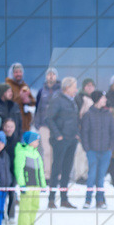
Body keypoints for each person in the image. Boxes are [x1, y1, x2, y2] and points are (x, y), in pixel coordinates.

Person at [80, 90, 114, 209]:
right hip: (92, 151)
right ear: (97, 99)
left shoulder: (108, 114)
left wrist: (110, 148)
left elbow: (113, 132)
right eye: (103, 98)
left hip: (105, 151)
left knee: (101, 177)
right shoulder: (88, 115)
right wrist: (87, 149)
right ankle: (88, 200)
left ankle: (100, 200)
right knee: (91, 175)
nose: (105, 100)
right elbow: (84, 133)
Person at [45, 77, 80, 208]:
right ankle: (51, 199)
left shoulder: (73, 101)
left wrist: (77, 134)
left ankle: (64, 199)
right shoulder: (57, 100)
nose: (76, 90)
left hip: (72, 139)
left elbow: (75, 119)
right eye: (74, 87)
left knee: (67, 169)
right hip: (60, 140)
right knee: (56, 169)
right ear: (67, 87)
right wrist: (58, 135)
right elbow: (49, 119)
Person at [14, 130, 46, 225]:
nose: (38, 142)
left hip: (36, 185)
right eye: (36, 140)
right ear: (30, 141)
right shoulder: (22, 152)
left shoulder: (36, 153)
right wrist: (22, 184)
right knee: (25, 206)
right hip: (27, 185)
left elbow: (40, 170)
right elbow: (19, 169)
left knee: (34, 205)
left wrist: (43, 184)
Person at [35, 67, 61, 178]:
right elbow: (37, 109)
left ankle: (57, 175)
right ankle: (47, 175)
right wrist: (38, 125)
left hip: (57, 126)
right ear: (46, 77)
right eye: (49, 74)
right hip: (44, 126)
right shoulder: (41, 91)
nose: (51, 76)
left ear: (56, 76)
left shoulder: (60, 91)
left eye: (53, 74)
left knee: (57, 151)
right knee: (47, 151)